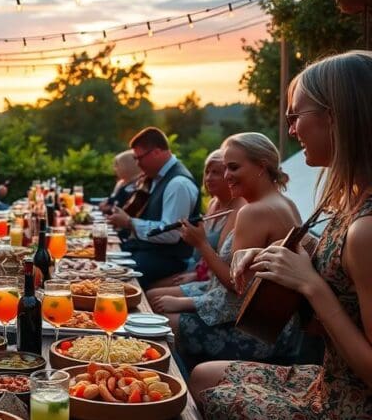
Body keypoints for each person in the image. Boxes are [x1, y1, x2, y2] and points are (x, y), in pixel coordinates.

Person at [190, 51, 372, 420]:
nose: (291, 129)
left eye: (297, 115)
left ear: (336, 116)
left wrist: (312, 286)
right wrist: (283, 258)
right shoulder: (349, 204)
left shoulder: (367, 229)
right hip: (328, 384)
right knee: (200, 374)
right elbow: (320, 323)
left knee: (215, 401)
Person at [150, 133, 302, 368]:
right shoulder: (285, 203)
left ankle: (181, 391)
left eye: (233, 167)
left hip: (258, 332)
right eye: (225, 168)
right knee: (157, 305)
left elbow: (237, 288)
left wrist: (201, 245)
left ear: (261, 166)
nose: (227, 175)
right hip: (284, 330)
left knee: (159, 321)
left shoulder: (254, 212)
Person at [107, 127, 201, 287]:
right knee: (106, 264)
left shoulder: (178, 183)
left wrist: (130, 223)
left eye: (139, 158)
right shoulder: (155, 179)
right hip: (151, 252)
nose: (137, 164)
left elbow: (170, 234)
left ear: (157, 152)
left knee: (113, 281)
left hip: (168, 259)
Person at [149, 149, 244, 288]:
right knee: (147, 284)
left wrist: (197, 274)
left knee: (152, 293)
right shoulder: (213, 203)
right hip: (195, 268)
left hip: (210, 279)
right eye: (207, 172)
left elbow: (224, 259)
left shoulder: (238, 209)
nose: (208, 178)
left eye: (216, 172)